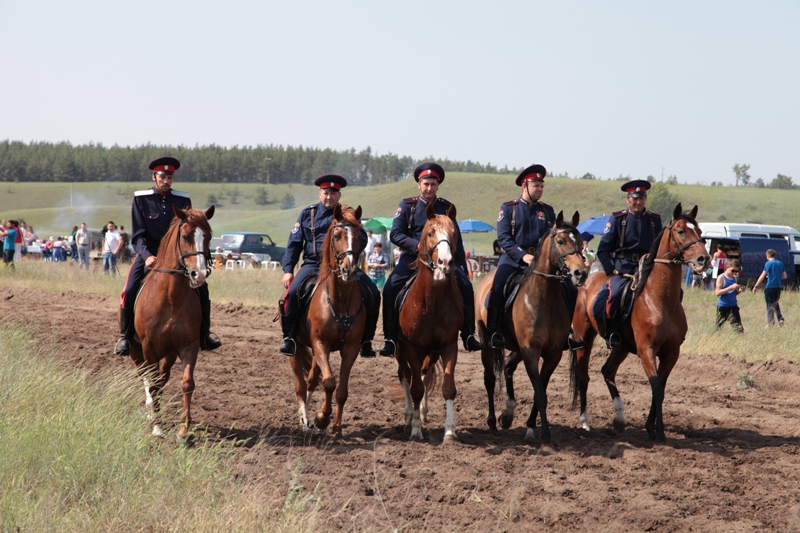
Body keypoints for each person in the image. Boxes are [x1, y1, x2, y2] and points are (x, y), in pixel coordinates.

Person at [114, 156, 222, 356]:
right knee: (129, 289)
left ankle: (204, 335)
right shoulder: (141, 199)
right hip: (149, 255)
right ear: (154, 177)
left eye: (169, 177)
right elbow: (137, 236)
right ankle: (125, 337)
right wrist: (146, 256)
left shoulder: (182, 200)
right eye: (162, 177)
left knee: (202, 289)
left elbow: (188, 232)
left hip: (177, 258)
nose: (166, 181)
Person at [379, 162, 482, 356]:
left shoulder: (446, 207)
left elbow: (456, 241)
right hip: (412, 260)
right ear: (419, 184)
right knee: (390, 288)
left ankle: (468, 334)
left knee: (467, 287)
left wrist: (459, 266)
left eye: (433, 184)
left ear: (438, 186)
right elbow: (396, 234)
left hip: (443, 260)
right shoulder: (407, 206)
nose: (429, 188)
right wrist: (417, 246)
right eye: (425, 184)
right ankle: (390, 338)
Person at [280, 174, 381, 358]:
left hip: (343, 264)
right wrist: (288, 271)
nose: (329, 197)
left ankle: (366, 341)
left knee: (373, 292)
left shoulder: (347, 214)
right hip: (313, 264)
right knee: (294, 292)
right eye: (326, 193)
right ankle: (290, 338)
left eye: (333, 193)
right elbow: (294, 244)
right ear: (320, 194)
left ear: (339, 196)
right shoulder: (307, 214)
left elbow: (363, 238)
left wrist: (351, 252)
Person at [485, 164, 564, 348]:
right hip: (513, 260)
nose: (540, 189)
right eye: (536, 185)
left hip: (541, 263)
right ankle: (493, 332)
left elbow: (552, 240)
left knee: (568, 287)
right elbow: (503, 238)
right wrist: (522, 256)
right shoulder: (508, 208)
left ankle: (566, 331)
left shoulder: (547, 211)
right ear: (524, 185)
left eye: (542, 186)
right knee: (498, 286)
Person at [596, 179, 663, 348]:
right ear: (628, 199)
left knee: (674, 292)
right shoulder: (618, 219)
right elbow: (603, 250)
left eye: (641, 198)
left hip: (647, 268)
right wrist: (612, 269)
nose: (638, 202)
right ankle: (613, 334)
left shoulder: (655, 220)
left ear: (645, 199)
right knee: (616, 294)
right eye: (635, 198)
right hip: (623, 268)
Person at [752, 249, 787, 327]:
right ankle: (780, 318)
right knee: (775, 303)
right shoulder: (780, 263)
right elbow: (785, 276)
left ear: (767, 255)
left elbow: (762, 275)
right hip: (778, 287)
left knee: (770, 305)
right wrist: (777, 276)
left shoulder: (768, 263)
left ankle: (770, 322)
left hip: (770, 286)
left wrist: (756, 286)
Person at [715, 259, 744, 332]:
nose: (734, 273)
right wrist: (731, 287)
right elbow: (717, 293)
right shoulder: (721, 277)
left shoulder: (734, 278)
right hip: (723, 307)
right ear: (727, 267)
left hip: (733, 306)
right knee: (718, 329)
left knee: (739, 330)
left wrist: (739, 291)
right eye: (733, 271)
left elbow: (734, 292)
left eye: (736, 271)